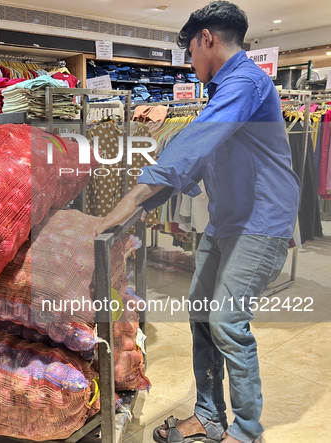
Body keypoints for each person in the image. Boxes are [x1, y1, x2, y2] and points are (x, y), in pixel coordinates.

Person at [96, 2, 300, 443]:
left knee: (226, 319)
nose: (190, 63)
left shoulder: (246, 81)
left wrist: (127, 202)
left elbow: (189, 147)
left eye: (189, 52)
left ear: (206, 38)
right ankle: (209, 415)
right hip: (228, 219)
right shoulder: (225, 89)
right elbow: (191, 165)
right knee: (202, 314)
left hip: (261, 221)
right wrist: (132, 214)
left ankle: (246, 432)